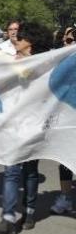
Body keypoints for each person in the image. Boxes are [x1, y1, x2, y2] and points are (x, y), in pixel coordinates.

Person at [0, 22, 51, 234]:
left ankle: (30, 211)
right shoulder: (9, 60)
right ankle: (7, 217)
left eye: (21, 37)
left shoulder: (47, 64)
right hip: (13, 122)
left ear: (31, 42)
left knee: (30, 171)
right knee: (11, 169)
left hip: (35, 123)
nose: (16, 39)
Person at [49, 26, 76, 215]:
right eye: (68, 41)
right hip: (66, 116)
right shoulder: (57, 60)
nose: (72, 44)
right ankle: (66, 197)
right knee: (65, 157)